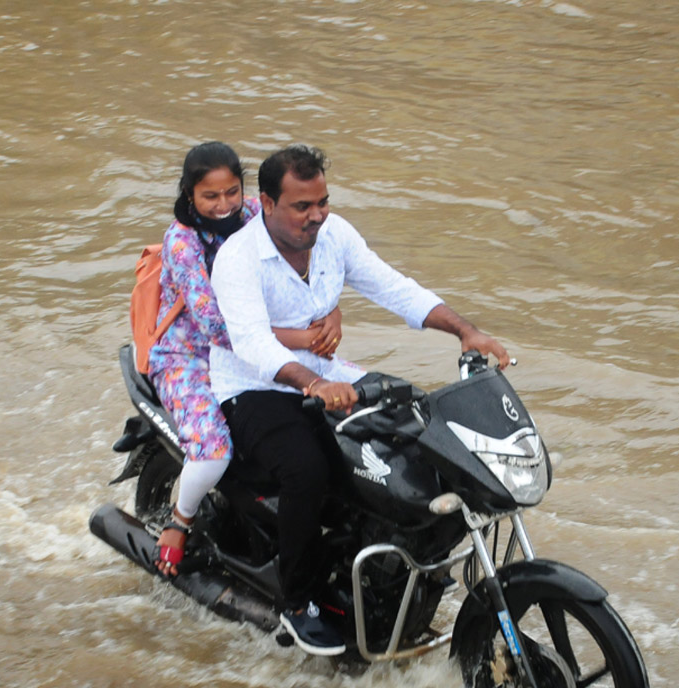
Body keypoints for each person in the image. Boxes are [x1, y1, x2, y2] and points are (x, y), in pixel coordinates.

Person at [210, 144, 509, 656]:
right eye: (302, 206)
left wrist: (466, 331)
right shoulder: (239, 258)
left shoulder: (335, 235)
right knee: (307, 470)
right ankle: (298, 602)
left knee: (419, 435)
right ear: (266, 203)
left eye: (322, 202)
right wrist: (312, 384)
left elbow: (394, 287)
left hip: (331, 375)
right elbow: (253, 345)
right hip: (255, 388)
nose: (317, 215)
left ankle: (395, 568)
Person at [148, 141, 341, 577]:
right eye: (210, 196)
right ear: (189, 195)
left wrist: (331, 310)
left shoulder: (259, 213)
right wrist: (304, 338)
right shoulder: (183, 243)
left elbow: (316, 261)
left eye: (231, 192)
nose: (223, 205)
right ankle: (181, 521)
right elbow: (219, 327)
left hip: (263, 346)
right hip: (190, 357)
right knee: (215, 450)